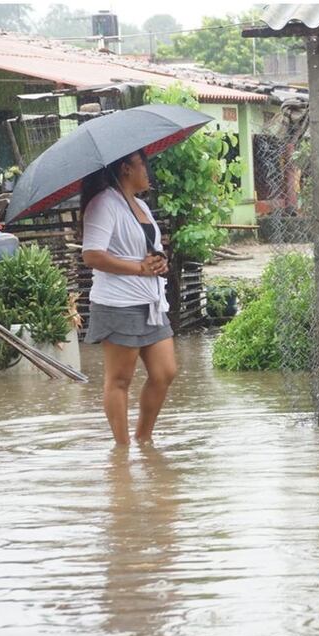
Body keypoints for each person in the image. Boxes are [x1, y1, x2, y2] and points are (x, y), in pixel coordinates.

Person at [80, 150, 176, 448]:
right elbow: (92, 255)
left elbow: (145, 250)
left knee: (165, 372)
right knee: (120, 380)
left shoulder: (140, 205)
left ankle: (143, 440)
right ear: (125, 168)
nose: (148, 169)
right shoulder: (103, 204)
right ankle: (122, 451)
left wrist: (158, 262)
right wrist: (139, 268)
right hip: (118, 304)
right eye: (142, 163)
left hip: (151, 302)